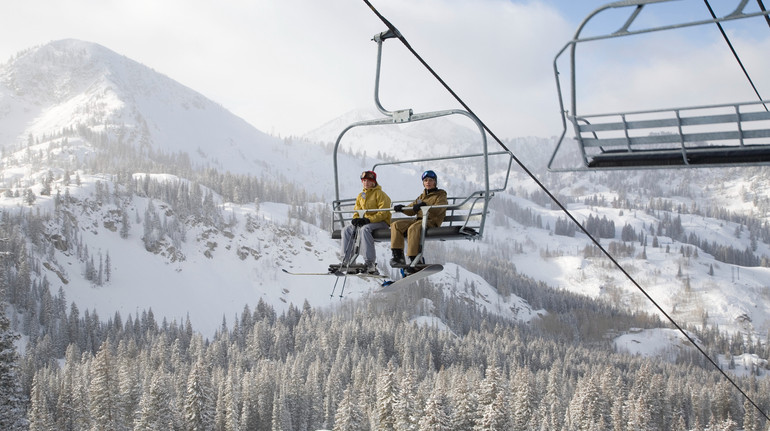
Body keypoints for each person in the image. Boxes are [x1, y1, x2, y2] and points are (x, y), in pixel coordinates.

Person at [389, 170, 447, 270]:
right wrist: (402, 208)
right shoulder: (422, 196)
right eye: (425, 180)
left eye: (430, 180)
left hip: (431, 221)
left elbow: (439, 209)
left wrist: (426, 206)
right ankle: (398, 255)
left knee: (413, 228)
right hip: (419, 220)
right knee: (396, 225)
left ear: (435, 182)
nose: (428, 182)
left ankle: (414, 258)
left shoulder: (440, 195)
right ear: (423, 183)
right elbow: (412, 209)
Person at [340, 170, 391, 274]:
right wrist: (356, 219)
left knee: (365, 229)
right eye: (364, 181)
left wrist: (368, 220)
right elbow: (357, 210)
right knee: (346, 230)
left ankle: (370, 263)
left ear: (374, 182)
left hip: (381, 223)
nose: (366, 183)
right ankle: (346, 260)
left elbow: (384, 213)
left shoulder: (380, 194)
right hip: (366, 222)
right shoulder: (361, 196)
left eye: (368, 181)